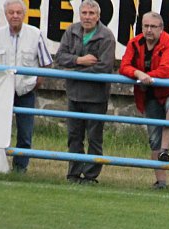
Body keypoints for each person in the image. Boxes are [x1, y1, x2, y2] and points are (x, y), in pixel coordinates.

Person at [119, 11, 169, 189]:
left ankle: (165, 151)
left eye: (153, 26)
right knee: (154, 139)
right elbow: (124, 66)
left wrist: (145, 78)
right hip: (149, 94)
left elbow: (166, 71)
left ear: (161, 29)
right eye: (145, 26)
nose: (149, 30)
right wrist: (138, 73)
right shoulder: (134, 43)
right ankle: (161, 182)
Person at [54, 0, 115, 184]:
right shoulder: (71, 31)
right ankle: (73, 174)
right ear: (79, 14)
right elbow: (60, 58)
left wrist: (74, 72)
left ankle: (90, 176)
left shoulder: (107, 37)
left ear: (98, 16)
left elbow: (104, 67)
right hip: (73, 94)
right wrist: (79, 60)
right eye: (84, 13)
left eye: (91, 13)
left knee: (94, 139)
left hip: (96, 97)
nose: (87, 17)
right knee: (74, 136)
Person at [0, 0, 52, 173]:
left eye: (18, 12)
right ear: (5, 14)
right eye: (11, 12)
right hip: (1, 93)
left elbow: (46, 64)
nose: (15, 16)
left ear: (24, 14)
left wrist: (36, 83)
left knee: (25, 132)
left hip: (25, 90)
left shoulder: (36, 34)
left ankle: (20, 168)